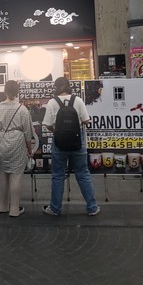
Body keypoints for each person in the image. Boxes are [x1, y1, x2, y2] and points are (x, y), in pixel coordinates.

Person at [42, 77, 100, 217]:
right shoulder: (78, 100)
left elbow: (48, 124)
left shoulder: (52, 102)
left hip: (59, 143)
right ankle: (92, 207)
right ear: (68, 86)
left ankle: (55, 208)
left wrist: (57, 131)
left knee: (58, 175)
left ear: (56, 87)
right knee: (83, 174)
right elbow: (86, 121)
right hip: (77, 142)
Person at [0, 80, 33, 217]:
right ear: (17, 92)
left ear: (5, 91)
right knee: (16, 175)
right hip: (18, 142)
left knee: (3, 174)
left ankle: (1, 206)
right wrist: (29, 149)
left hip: (2, 141)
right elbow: (27, 132)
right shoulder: (22, 109)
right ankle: (14, 209)